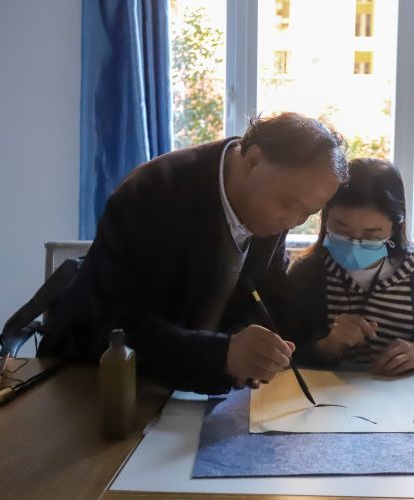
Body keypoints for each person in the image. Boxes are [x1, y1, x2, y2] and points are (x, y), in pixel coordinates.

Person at [38, 113, 347, 394]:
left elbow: (266, 298)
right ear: (253, 160)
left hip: (185, 391)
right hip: (89, 381)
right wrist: (224, 354)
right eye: (290, 204)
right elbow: (114, 329)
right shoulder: (154, 194)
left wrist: (262, 348)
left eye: (308, 213)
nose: (293, 221)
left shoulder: (272, 204)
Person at [285, 158, 414, 374]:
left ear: (395, 227)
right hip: (324, 394)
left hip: (408, 395)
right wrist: (327, 347)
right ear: (325, 217)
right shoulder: (307, 274)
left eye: (371, 235)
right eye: (341, 229)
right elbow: (283, 352)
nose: (354, 245)